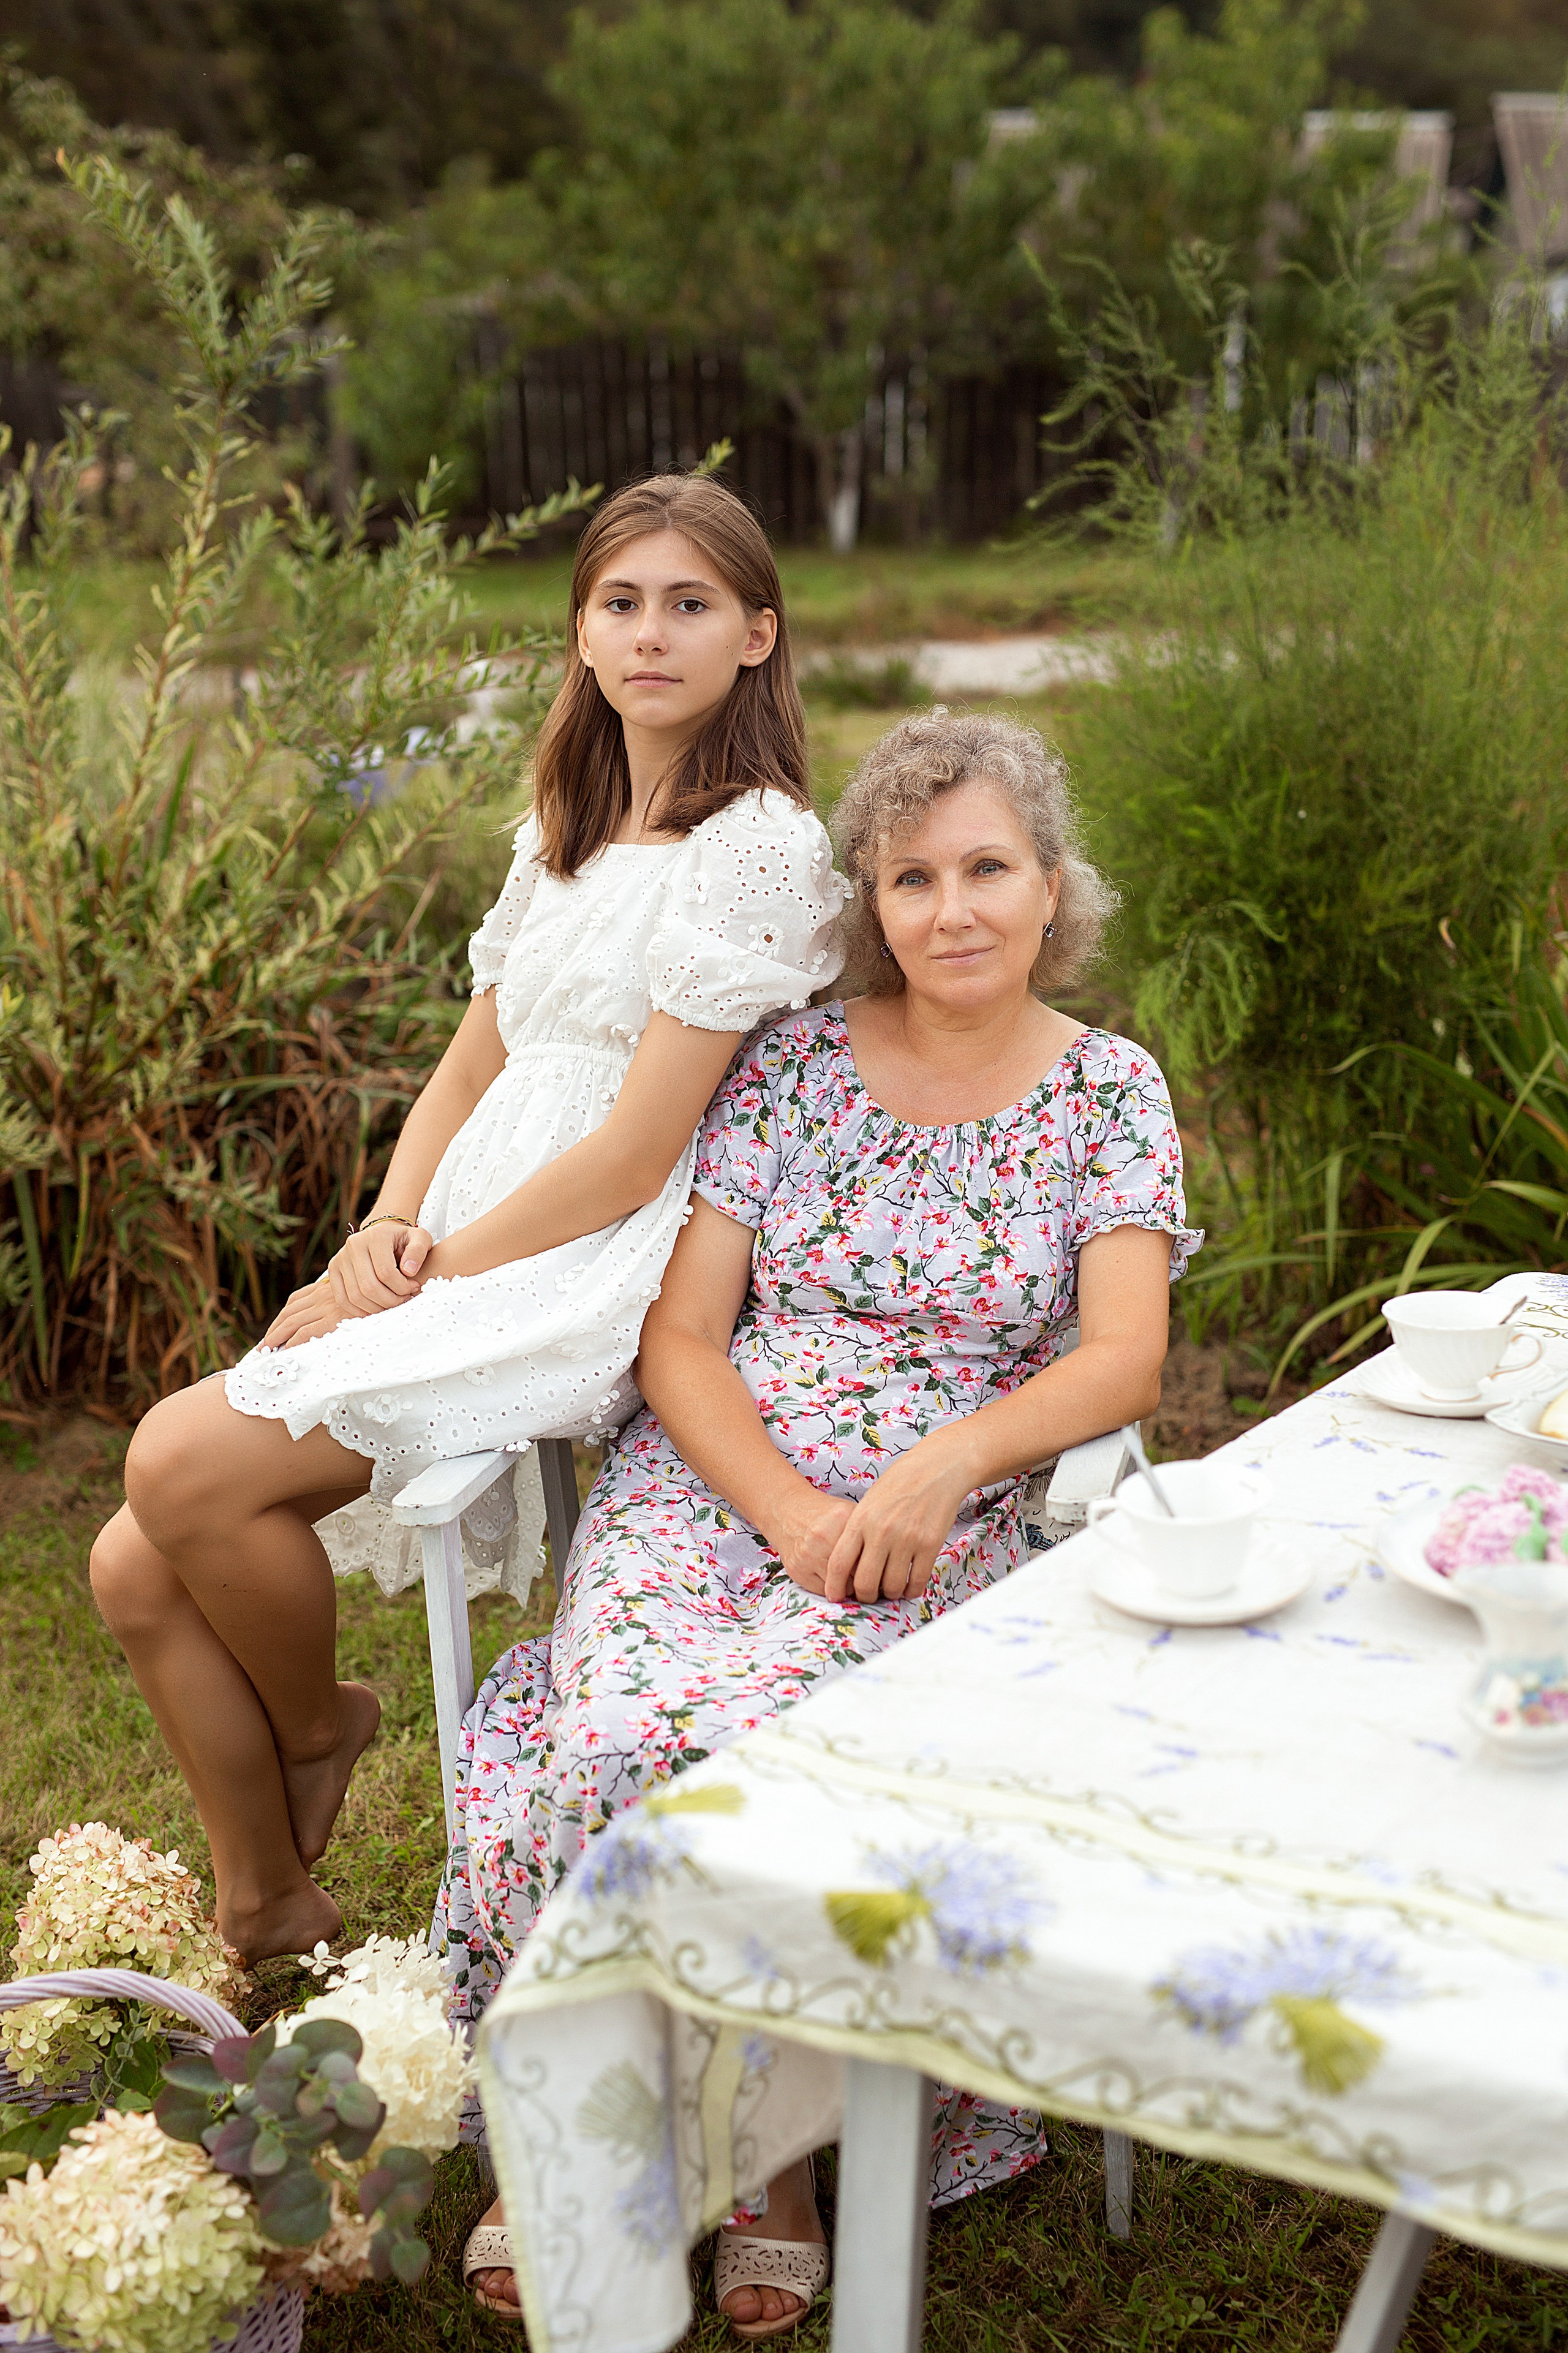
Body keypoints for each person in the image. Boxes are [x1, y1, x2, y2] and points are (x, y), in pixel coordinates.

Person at [445, 708, 1200, 2336]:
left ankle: (768, 2156)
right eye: (913, 875)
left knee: (768, 1755)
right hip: (718, 1479)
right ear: (872, 893)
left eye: (989, 867)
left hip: (940, 1510)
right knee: (621, 1734)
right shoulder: (793, 1067)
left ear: (1051, 885)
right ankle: (592, 2119)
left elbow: (1125, 1353)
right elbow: (683, 1339)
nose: (954, 907)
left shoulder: (1108, 1093)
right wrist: (784, 1503)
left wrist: (935, 1472)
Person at [87, 473, 848, 1970]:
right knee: (128, 1561)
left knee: (175, 1459)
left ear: (755, 635)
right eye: (619, 602)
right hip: (458, 1229)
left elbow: (637, 1151)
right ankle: (268, 1898)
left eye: (689, 604)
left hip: (583, 1256)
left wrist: (434, 1268)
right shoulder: (560, 825)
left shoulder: (754, 842)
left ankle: (319, 1726)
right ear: (578, 628)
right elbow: (469, 1062)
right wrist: (383, 1225)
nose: (649, 635)